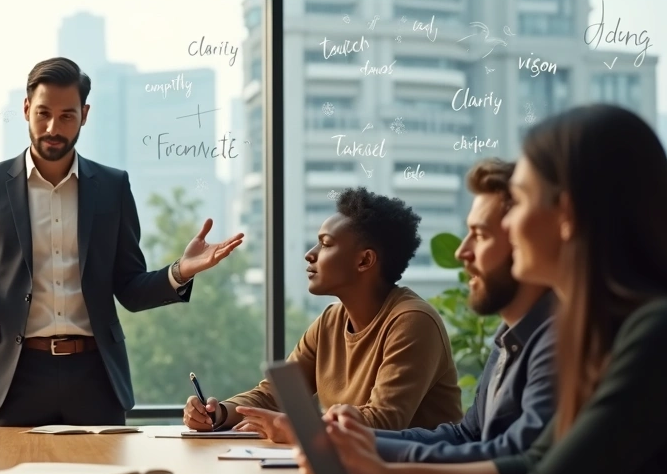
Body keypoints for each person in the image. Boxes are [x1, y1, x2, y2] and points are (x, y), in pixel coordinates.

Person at [300, 104, 667, 474]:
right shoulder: (597, 333)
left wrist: (388, 471)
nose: (510, 227)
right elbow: (532, 462)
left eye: (522, 200)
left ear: (566, 215)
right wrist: (374, 458)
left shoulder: (652, 336)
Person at [0, 57, 244, 426]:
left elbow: (130, 289)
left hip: (96, 377)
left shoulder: (112, 187)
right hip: (13, 378)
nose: (53, 127)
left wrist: (181, 271)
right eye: (43, 113)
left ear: (84, 116)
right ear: (26, 109)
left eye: (66, 115)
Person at [184, 187, 462, 442]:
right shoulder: (331, 321)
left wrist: (296, 429)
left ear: (364, 260)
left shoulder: (413, 321)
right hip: (355, 471)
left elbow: (384, 422)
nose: (310, 254)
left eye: (326, 244)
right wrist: (218, 413)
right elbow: (276, 395)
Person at [326, 159, 558, 463]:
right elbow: (468, 435)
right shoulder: (509, 339)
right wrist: (355, 440)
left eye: (481, 234)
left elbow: (514, 458)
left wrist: (380, 462)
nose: (462, 252)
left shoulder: (557, 343)